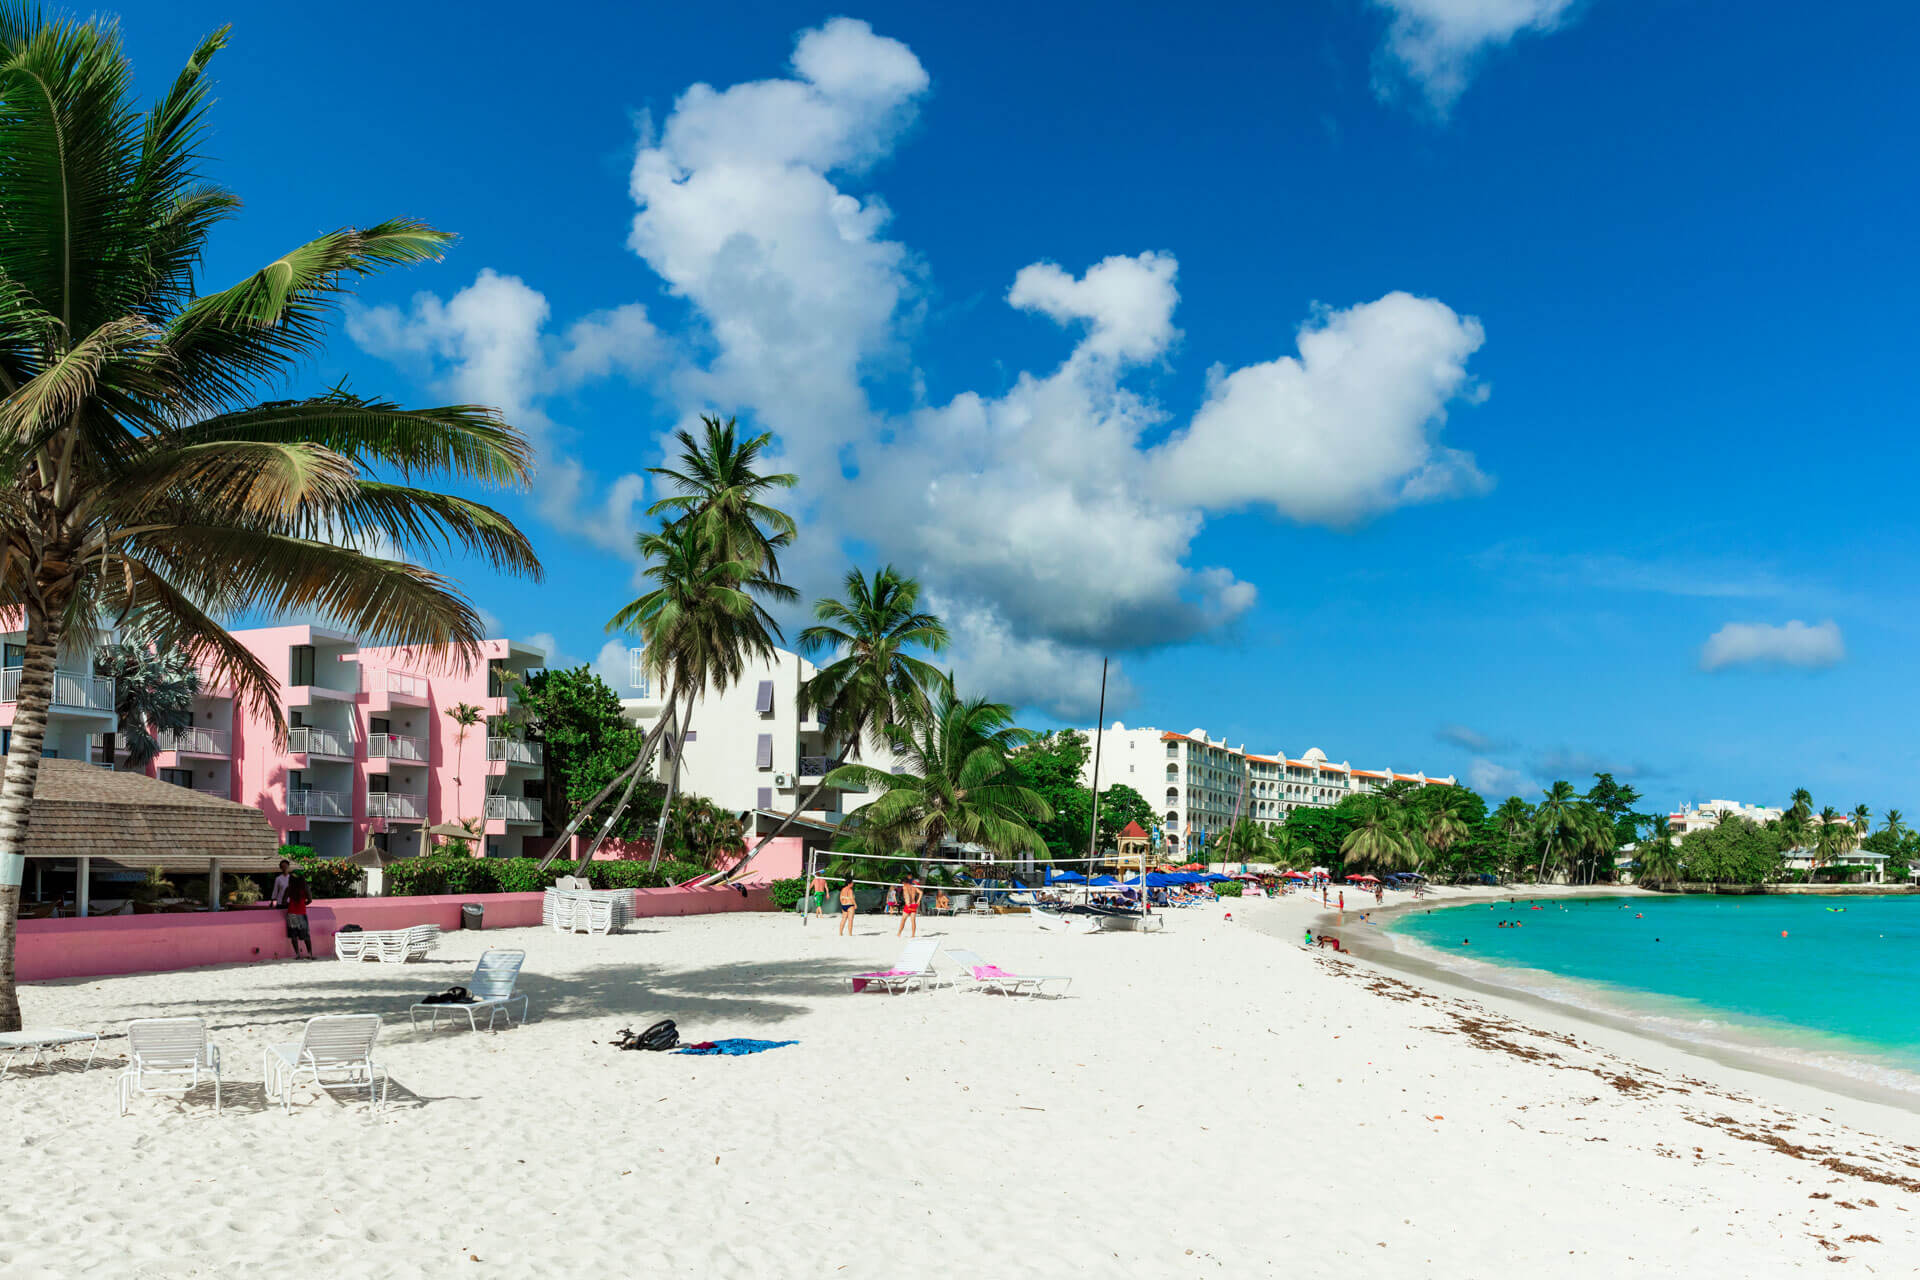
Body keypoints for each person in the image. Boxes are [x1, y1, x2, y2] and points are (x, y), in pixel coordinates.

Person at [284, 874, 313, 958]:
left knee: (294, 935)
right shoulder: (305, 888)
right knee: (306, 935)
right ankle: (310, 954)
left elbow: (284, 901)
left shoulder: (289, 889)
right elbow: (310, 900)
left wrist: (290, 905)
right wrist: (303, 904)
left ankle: (297, 954)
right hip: (301, 913)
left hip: (291, 914)